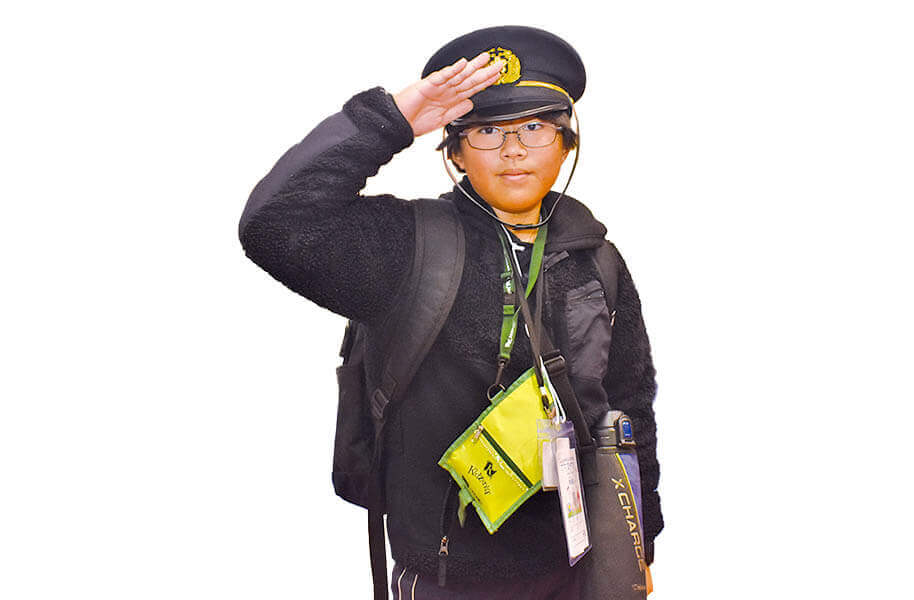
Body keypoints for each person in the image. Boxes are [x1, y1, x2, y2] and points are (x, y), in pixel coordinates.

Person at [239, 26, 662, 599]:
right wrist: (388, 121)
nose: (513, 150)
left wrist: (637, 545)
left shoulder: (599, 261)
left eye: (534, 128)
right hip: (444, 575)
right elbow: (273, 225)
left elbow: (630, 406)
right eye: (487, 131)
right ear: (454, 151)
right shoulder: (407, 247)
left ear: (567, 143)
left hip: (576, 568)